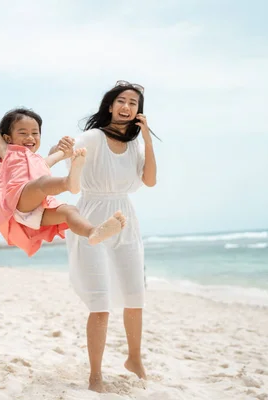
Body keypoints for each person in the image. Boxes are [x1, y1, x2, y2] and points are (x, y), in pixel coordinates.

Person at [52, 80, 158, 392]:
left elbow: (150, 180)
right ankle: (95, 375)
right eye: (121, 101)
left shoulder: (136, 145)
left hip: (124, 217)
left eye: (133, 103)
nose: (127, 107)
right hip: (92, 217)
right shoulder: (94, 137)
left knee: (134, 294)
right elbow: (65, 156)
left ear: (139, 112)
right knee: (100, 301)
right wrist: (54, 158)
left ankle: (134, 358)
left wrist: (148, 138)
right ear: (110, 106)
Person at [0, 101, 127, 257]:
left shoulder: (40, 162)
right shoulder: (7, 152)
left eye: (35, 133)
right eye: (23, 133)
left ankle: (92, 231)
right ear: (8, 138)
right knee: (42, 183)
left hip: (39, 209)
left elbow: (62, 154)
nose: (30, 137)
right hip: (19, 200)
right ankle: (69, 182)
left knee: (70, 211)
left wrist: (66, 149)